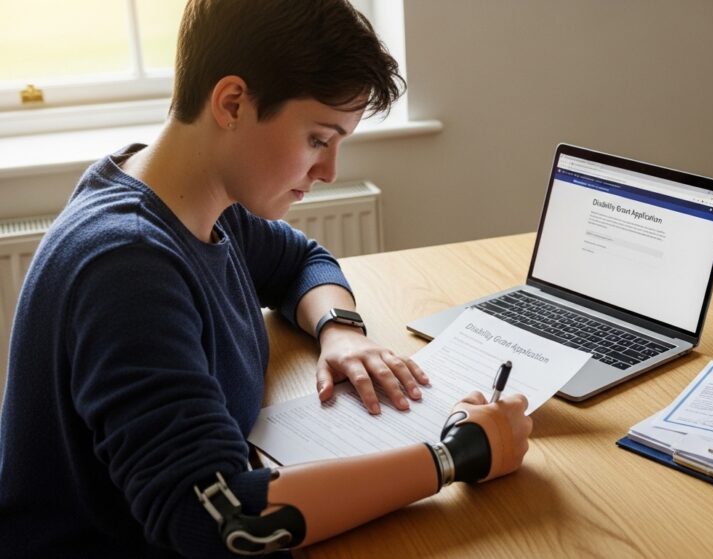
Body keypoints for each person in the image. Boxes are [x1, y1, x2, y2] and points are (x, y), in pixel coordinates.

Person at [0, 1, 532, 556]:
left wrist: (339, 329)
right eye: (318, 140)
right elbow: (226, 523)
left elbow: (303, 261)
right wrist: (454, 455)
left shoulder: (193, 199)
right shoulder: (127, 268)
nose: (329, 171)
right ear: (232, 103)